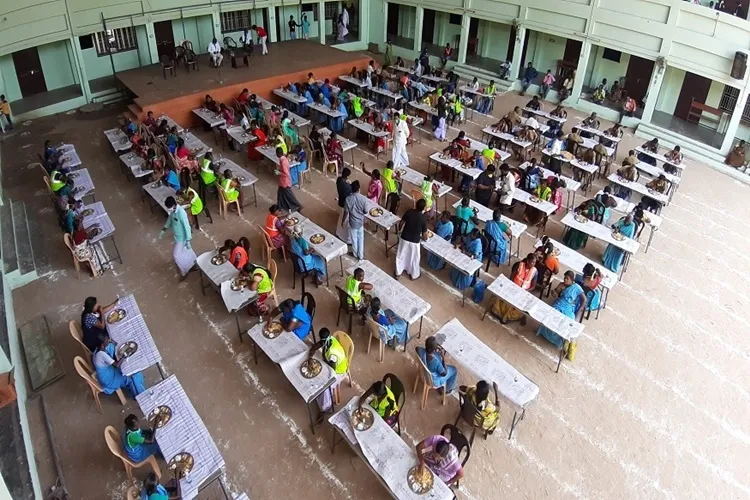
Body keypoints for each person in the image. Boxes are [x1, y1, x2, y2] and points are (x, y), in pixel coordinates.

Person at [537, 271, 587, 349]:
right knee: (551, 314)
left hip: (568, 307)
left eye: (567, 278)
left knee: (568, 321)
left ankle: (559, 341)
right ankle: (545, 333)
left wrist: (581, 308)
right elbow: (554, 294)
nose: (565, 280)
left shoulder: (577, 287)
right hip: (559, 303)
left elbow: (584, 299)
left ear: (572, 279)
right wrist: (554, 292)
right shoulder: (561, 284)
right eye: (564, 278)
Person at [491, 253, 538, 324]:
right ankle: (499, 312)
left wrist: (526, 291)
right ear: (528, 261)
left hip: (524, 292)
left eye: (534, 262)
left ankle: (512, 316)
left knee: (521, 307)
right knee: (504, 299)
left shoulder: (535, 272)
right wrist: (512, 286)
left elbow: (533, 286)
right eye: (532, 262)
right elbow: (512, 277)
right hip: (514, 287)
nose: (533, 264)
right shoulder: (519, 265)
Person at [159, 196, 197, 280]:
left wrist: (188, 240)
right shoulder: (173, 212)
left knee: (176, 255)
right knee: (186, 251)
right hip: (177, 237)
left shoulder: (181, 213)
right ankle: (194, 263)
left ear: (174, 205)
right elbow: (170, 220)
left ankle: (184, 272)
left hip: (182, 238)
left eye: (169, 208)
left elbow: (187, 226)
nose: (169, 209)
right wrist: (163, 229)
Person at [395, 198, 428, 280]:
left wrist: (399, 230)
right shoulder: (423, 218)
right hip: (415, 241)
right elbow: (425, 235)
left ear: (416, 205)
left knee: (401, 255)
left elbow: (401, 223)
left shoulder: (409, 212)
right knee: (414, 258)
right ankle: (413, 275)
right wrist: (425, 238)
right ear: (424, 208)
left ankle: (398, 273)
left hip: (405, 237)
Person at [342, 180, 368, 260]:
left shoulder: (348, 199)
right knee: (361, 238)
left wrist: (342, 221)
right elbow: (366, 211)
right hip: (360, 222)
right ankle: (361, 255)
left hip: (352, 222)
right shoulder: (363, 199)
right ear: (359, 188)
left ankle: (355, 254)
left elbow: (346, 212)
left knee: (354, 239)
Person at [275, 147, 303, 212]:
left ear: (278, 154)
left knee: (290, 196)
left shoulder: (283, 161)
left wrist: (279, 172)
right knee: (280, 194)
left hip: (285, 182)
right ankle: (280, 206)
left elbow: (286, 174)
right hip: (282, 182)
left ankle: (299, 206)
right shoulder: (283, 158)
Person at [335, 167, 353, 244]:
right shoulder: (347, 187)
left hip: (340, 201)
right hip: (345, 204)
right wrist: (350, 184)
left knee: (340, 219)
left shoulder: (339, 180)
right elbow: (351, 191)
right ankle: (345, 238)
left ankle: (338, 233)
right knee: (345, 221)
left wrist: (347, 182)